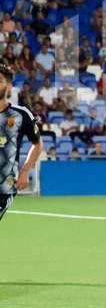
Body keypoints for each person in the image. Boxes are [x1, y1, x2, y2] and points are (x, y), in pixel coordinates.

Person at [0, 64, 41, 221]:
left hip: (4, 186)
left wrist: (24, 172)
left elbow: (37, 144)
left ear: (9, 85)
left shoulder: (21, 115)